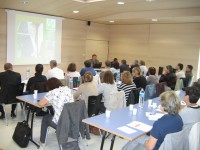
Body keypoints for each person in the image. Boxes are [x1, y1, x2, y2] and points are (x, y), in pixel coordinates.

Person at [38, 78, 74, 144]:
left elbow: (40, 103)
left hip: (61, 124)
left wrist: (49, 101)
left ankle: (42, 141)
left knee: (45, 118)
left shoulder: (52, 93)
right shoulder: (68, 89)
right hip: (72, 122)